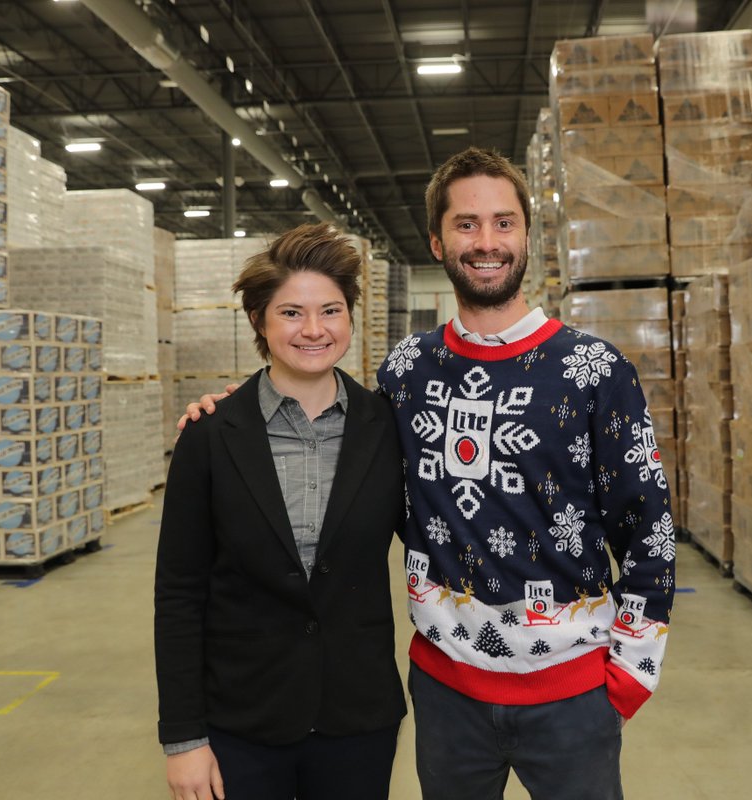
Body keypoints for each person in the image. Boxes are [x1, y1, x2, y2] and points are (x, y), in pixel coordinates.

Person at [182, 147, 675, 800]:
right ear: (438, 242)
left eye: (504, 222)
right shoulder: (407, 370)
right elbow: (338, 433)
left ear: (528, 235)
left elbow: (649, 528)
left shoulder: (593, 369)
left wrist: (632, 673)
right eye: (467, 224)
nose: (487, 242)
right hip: (447, 697)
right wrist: (238, 410)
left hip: (573, 697)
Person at [157, 222, 406, 800]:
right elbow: (179, 592)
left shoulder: (387, 429)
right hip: (242, 721)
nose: (314, 330)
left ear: (349, 318)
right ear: (259, 323)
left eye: (331, 310)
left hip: (358, 719)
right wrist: (183, 737)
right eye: (292, 313)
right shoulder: (212, 434)